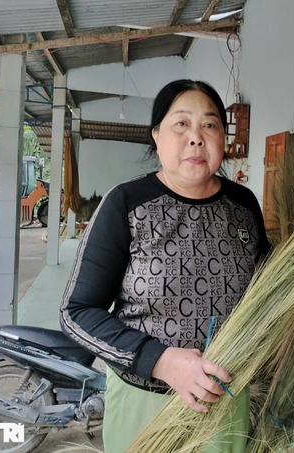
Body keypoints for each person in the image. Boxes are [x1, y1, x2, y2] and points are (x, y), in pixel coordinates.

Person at [60, 79, 270, 453]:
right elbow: (76, 312)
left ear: (223, 138)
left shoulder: (244, 206)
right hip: (145, 404)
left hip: (225, 401)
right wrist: (162, 361)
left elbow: (263, 283)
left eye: (210, 125)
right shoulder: (126, 203)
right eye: (181, 124)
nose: (196, 138)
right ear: (157, 137)